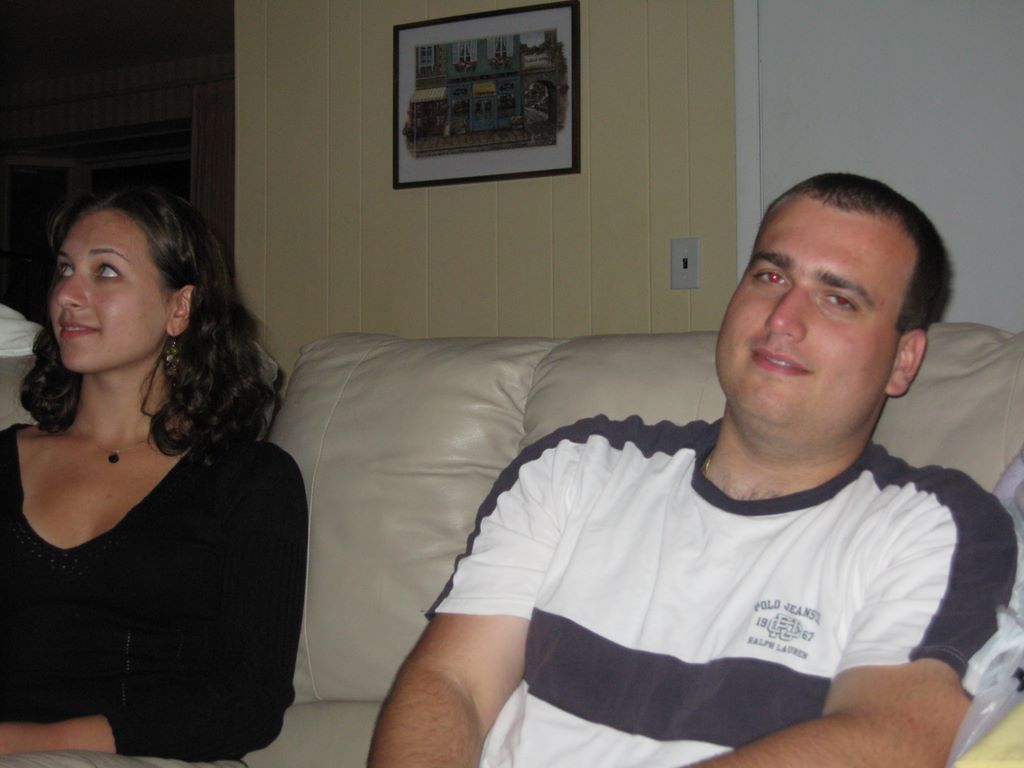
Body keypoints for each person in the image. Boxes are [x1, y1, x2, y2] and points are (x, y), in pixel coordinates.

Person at [367, 173, 1018, 767]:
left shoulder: (934, 526)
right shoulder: (575, 469)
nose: (783, 319)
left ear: (904, 361)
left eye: (838, 299)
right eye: (770, 276)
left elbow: (892, 736)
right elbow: (451, 683)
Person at [0, 187, 308, 762]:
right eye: (64, 269)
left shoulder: (249, 480)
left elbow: (248, 703)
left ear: (179, 308)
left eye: (105, 271)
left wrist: (22, 743)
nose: (67, 295)